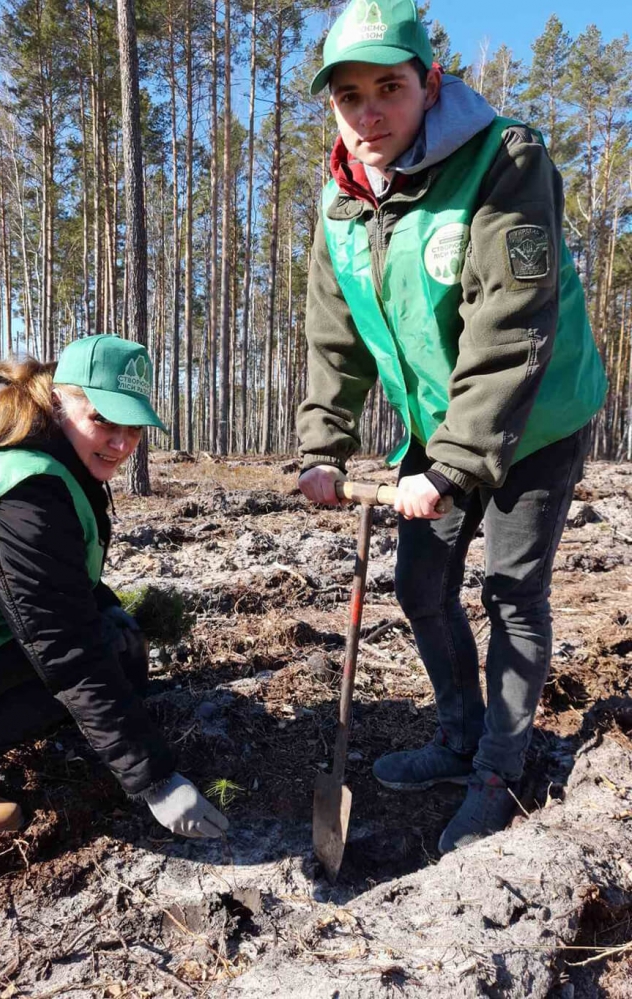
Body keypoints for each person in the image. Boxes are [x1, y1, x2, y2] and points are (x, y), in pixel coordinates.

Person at [297, 0, 607, 853]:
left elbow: (511, 324)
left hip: (536, 412)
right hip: (443, 415)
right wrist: (323, 444)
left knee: (512, 593)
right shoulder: (340, 200)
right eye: (349, 94)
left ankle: (502, 772)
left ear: (430, 85)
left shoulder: (506, 159)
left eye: (388, 88)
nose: (369, 112)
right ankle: (460, 734)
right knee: (420, 587)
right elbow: (336, 334)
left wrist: (455, 466)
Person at [0, 334, 229, 844]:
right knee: (99, 654)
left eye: (133, 426)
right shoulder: (20, 491)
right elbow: (65, 651)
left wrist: (111, 614)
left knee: (116, 639)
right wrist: (155, 781)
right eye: (103, 420)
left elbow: (55, 580)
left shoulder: (20, 437)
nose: (122, 442)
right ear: (59, 398)